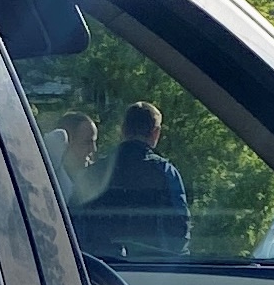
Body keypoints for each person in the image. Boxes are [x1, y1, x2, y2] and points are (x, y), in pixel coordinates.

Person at [76, 100, 189, 262]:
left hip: (102, 270)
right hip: (152, 268)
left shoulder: (95, 171)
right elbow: (179, 226)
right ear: (155, 133)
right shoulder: (165, 172)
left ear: (123, 130)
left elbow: (79, 223)